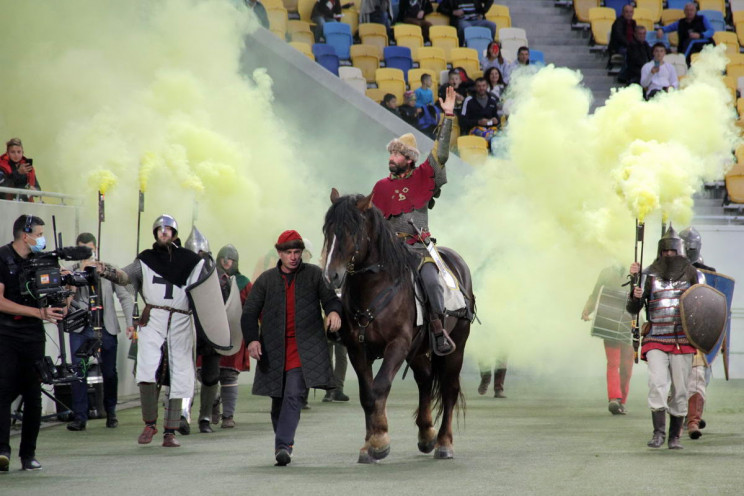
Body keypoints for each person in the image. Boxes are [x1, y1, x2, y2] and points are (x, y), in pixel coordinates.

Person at [98, 215, 206, 448]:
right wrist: (107, 271)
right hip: (153, 317)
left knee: (182, 374)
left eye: (168, 229)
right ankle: (149, 423)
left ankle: (171, 430)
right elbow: (126, 277)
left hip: (180, 319)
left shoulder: (191, 261)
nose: (164, 233)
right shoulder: (144, 260)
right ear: (155, 232)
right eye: (160, 229)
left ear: (175, 233)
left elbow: (205, 291)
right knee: (146, 368)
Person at [241, 230, 342, 466]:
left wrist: (334, 311)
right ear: (280, 253)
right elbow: (249, 314)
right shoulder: (265, 280)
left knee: (293, 394)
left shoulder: (314, 275)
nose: (294, 257)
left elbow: (331, 299)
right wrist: (252, 340)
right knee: (278, 401)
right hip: (273, 349)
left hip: (304, 348)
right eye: (289, 252)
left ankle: (284, 445)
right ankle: (283, 444)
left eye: (297, 252)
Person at [371, 86, 458, 356]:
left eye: (396, 154)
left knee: (432, 282)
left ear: (409, 159)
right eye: (391, 153)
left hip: (420, 249)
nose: (391, 158)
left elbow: (441, 153)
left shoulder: (423, 176)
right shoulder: (381, 187)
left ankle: (437, 329)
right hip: (389, 252)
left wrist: (448, 116)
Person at [627, 225, 704, 450]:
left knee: (680, 390)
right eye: (665, 252)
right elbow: (633, 308)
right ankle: (658, 433)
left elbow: (703, 307)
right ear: (660, 253)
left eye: (673, 251)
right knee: (657, 384)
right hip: (656, 337)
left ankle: (674, 437)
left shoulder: (694, 274)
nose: (669, 255)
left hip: (683, 339)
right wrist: (635, 294)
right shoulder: (647, 274)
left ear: (680, 252)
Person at [0, 215, 66, 471]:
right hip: (6, 333)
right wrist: (38, 313)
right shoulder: (2, 258)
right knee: (3, 391)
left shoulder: (44, 261)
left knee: (33, 395)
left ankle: (28, 455)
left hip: (33, 335)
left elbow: (56, 301)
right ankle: (2, 450)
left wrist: (66, 290)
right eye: (38, 234)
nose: (41, 238)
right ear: (24, 235)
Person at [65, 233, 134, 432]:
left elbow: (125, 296)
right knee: (79, 370)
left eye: (90, 249)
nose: (87, 254)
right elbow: (63, 300)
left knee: (109, 372)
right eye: (82, 250)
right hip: (80, 327)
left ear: (96, 248)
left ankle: (111, 411)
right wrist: (76, 278)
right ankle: (80, 416)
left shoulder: (108, 269)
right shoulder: (70, 272)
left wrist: (130, 322)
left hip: (106, 326)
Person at [208, 244, 252, 428]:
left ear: (235, 262)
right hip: (211, 333)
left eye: (230, 259)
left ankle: (228, 416)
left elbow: (252, 308)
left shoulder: (243, 283)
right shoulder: (208, 282)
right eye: (223, 258)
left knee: (229, 375)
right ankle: (213, 402)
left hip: (234, 333)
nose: (226, 261)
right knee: (207, 375)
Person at [582, 264, 634, 415]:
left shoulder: (636, 271)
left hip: (629, 321)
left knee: (626, 366)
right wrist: (587, 310)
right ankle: (614, 398)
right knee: (613, 363)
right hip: (609, 319)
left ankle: (621, 401)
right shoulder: (605, 272)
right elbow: (595, 293)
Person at [679, 227, 716, 440]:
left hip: (701, 332)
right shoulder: (669, 273)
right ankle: (683, 412)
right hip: (676, 331)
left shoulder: (707, 272)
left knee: (701, 375)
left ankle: (693, 415)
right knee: (678, 377)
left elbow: (716, 305)